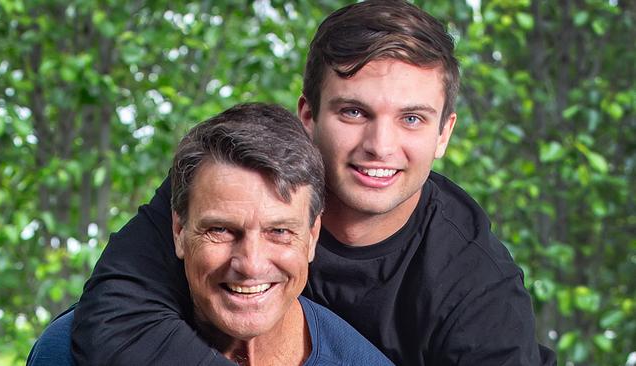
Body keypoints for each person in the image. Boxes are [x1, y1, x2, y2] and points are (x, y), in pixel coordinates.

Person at [72, 1, 556, 365]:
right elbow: (113, 319)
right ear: (309, 115)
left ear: (443, 133)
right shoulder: (237, 178)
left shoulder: (476, 287)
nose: (380, 145)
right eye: (353, 111)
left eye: (411, 118)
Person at [29, 103, 393, 366]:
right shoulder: (67, 351)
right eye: (221, 229)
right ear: (178, 230)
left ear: (312, 236)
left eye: (279, 231)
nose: (250, 264)